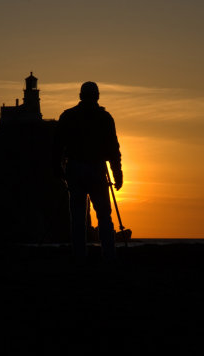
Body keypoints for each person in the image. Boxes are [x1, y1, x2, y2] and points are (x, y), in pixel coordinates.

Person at [53, 81, 123, 264]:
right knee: (104, 216)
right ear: (97, 96)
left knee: (77, 216)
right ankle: (109, 256)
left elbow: (57, 146)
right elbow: (113, 149)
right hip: (97, 169)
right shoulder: (105, 118)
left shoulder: (68, 116)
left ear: (80, 96)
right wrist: (118, 174)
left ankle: (79, 257)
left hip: (75, 168)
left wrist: (58, 168)